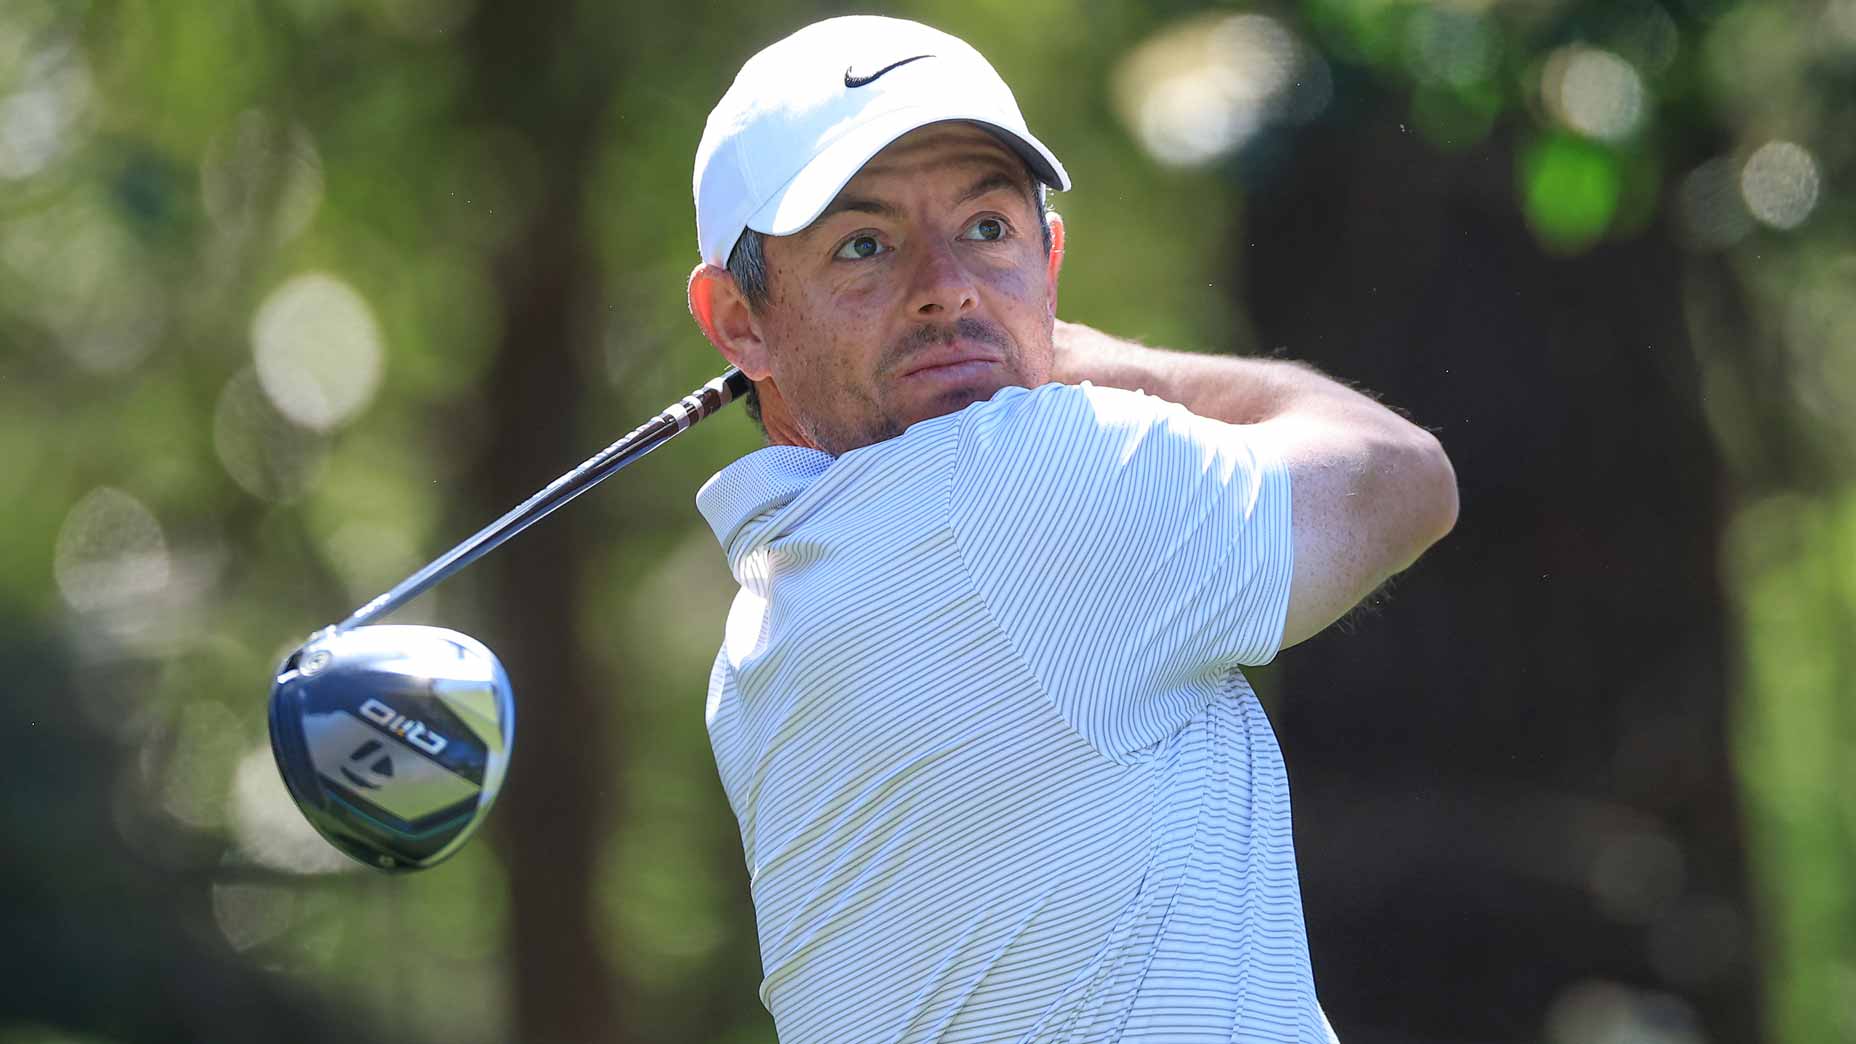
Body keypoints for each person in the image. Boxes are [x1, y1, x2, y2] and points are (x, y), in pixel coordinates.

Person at [685, 15, 1457, 1044]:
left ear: (1047, 258)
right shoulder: (1025, 480)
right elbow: (1400, 477)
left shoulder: (757, 645)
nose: (947, 287)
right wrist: (1123, 364)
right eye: (864, 246)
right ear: (739, 321)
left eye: (985, 228)